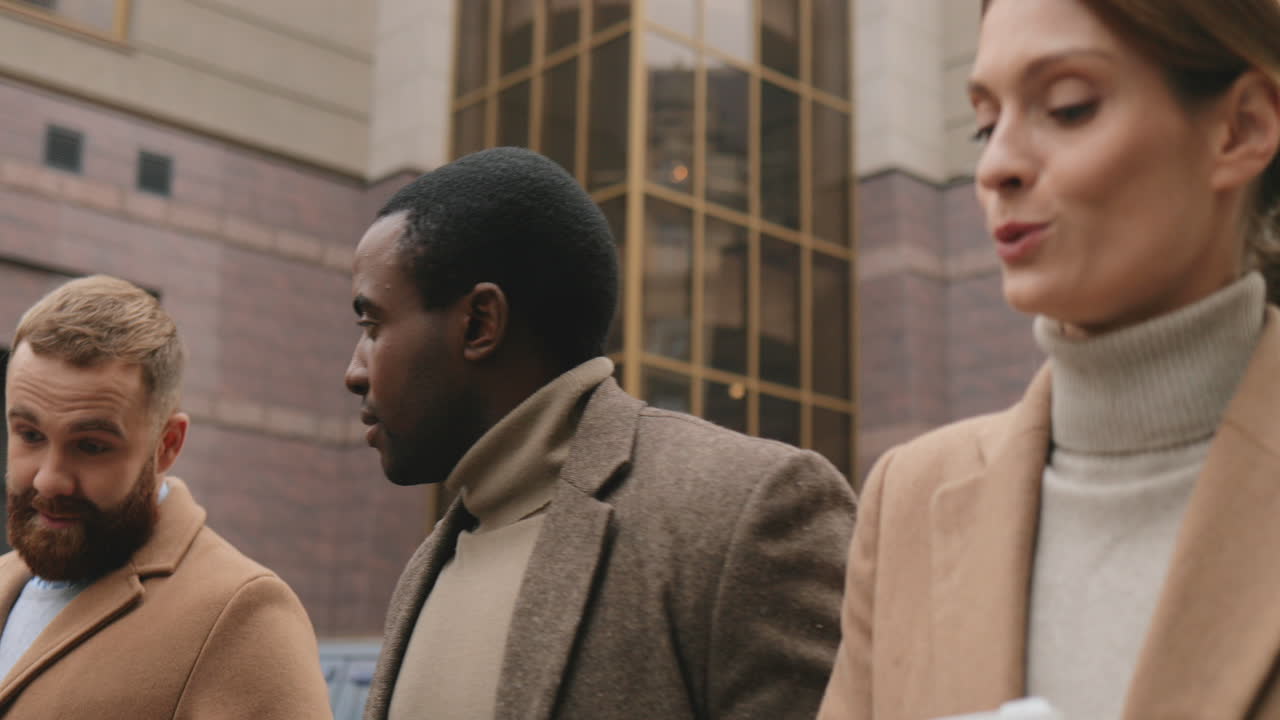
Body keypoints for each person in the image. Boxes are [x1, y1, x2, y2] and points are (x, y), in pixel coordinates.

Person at [819, 0, 1280, 718]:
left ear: (1242, 128)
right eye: (983, 122)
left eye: (1068, 108)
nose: (996, 164)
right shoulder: (905, 502)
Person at [345, 147, 856, 720]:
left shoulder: (748, 510)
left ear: (480, 323)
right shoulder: (432, 561)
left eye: (372, 325)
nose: (354, 371)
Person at [0, 275, 333, 718]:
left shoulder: (242, 615)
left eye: (92, 445)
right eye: (30, 434)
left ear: (168, 445)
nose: (48, 480)